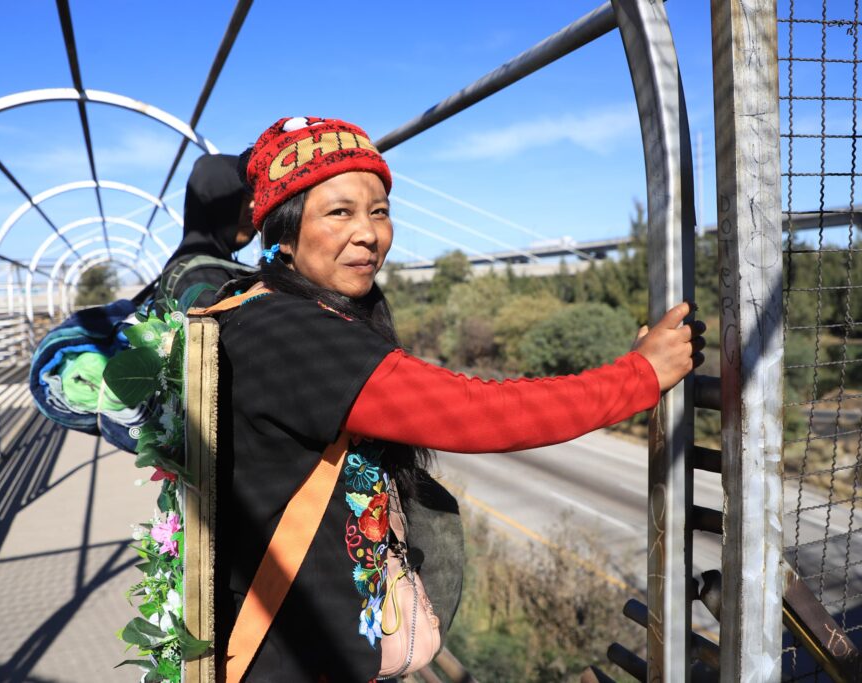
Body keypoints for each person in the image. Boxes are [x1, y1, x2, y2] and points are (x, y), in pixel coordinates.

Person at [213, 116, 705, 682]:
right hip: (291, 660)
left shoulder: (275, 309)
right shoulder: (287, 332)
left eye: (379, 211)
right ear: (285, 233)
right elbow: (475, 413)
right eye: (339, 212)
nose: (370, 234)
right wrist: (639, 376)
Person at [153, 153, 257, 314]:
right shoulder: (200, 276)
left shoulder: (186, 265)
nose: (253, 207)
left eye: (256, 198)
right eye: (242, 198)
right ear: (214, 203)